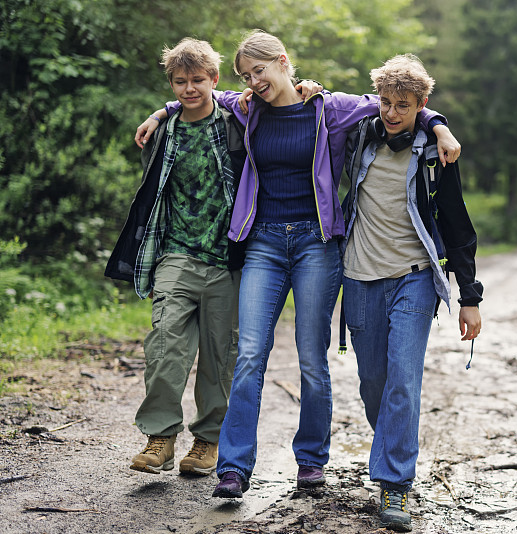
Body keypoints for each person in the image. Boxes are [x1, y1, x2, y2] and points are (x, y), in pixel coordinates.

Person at [137, 30, 462, 499]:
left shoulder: (329, 107)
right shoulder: (248, 108)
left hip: (316, 245)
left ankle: (310, 461)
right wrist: (160, 111)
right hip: (264, 245)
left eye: (260, 71)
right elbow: (201, 94)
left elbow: (394, 103)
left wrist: (440, 125)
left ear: (283, 62)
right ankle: (233, 468)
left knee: (313, 360)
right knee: (249, 354)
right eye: (247, 76)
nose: (254, 82)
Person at [340, 54, 483, 532]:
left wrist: (470, 297)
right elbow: (325, 109)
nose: (392, 112)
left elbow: (458, 225)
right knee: (373, 384)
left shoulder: (434, 155)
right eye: (386, 102)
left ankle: (395, 485)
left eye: (404, 104)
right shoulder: (360, 135)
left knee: (403, 379)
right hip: (360, 277)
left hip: (414, 277)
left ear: (420, 105)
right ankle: (391, 450)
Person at [105, 38, 247, 477]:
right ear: (171, 83)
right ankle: (161, 437)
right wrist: (160, 113)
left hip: (227, 260)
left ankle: (206, 443)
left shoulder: (236, 125)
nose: (189, 89)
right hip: (176, 255)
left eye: (197, 80)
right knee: (165, 347)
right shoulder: (163, 131)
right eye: (180, 82)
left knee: (220, 358)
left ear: (214, 80)